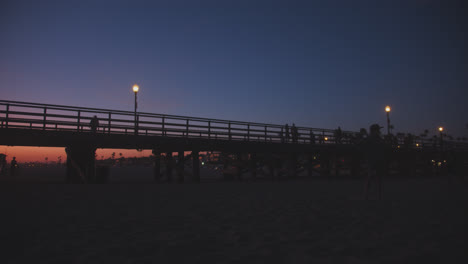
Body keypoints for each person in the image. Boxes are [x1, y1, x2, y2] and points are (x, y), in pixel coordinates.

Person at [363, 124, 388, 200]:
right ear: (374, 131)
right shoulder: (375, 139)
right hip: (373, 160)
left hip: (376, 160)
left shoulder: (372, 138)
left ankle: (376, 196)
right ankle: (368, 195)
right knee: (371, 177)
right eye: (377, 130)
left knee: (377, 178)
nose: (379, 131)